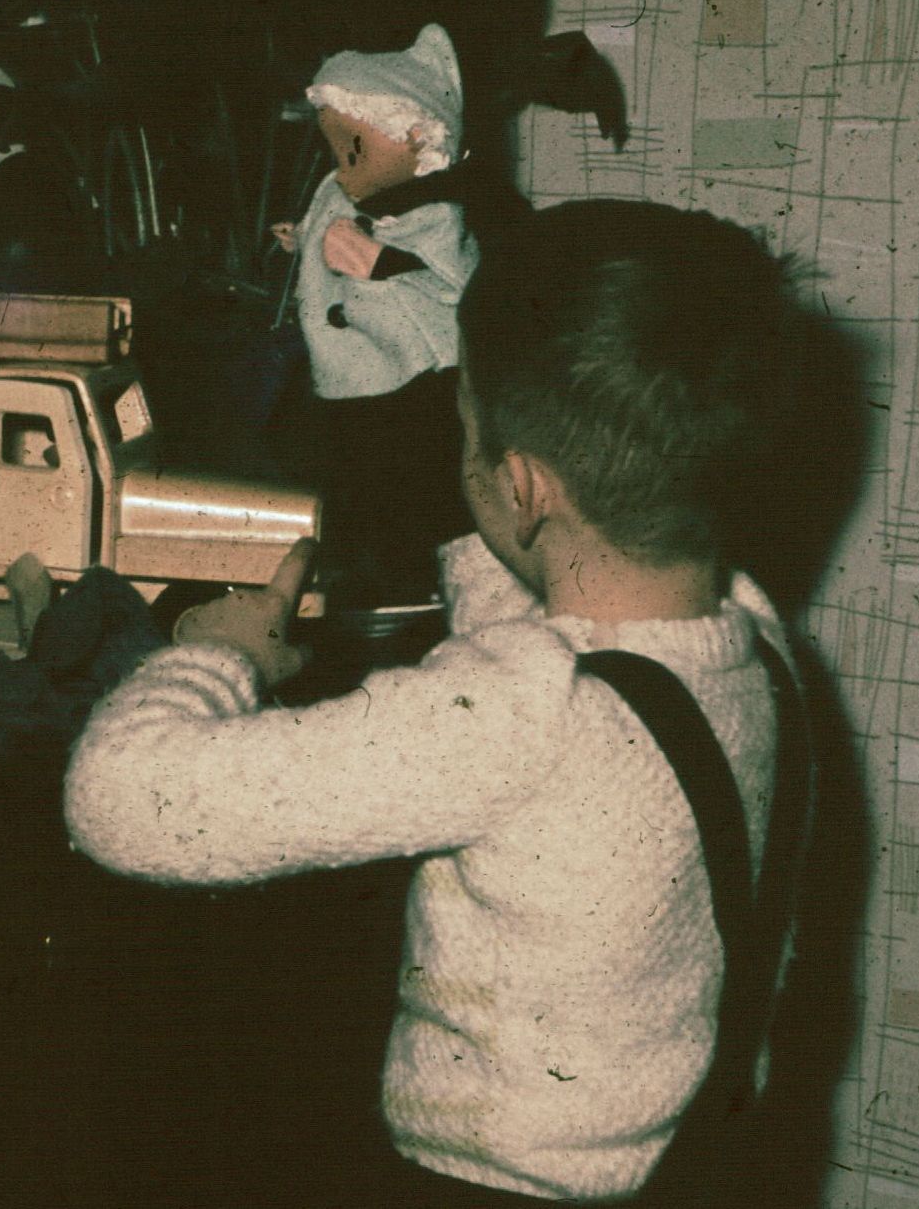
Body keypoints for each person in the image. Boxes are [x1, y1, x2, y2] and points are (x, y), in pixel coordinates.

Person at [65, 201, 813, 1204]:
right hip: (684, 1169)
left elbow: (119, 800)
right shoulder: (752, 638)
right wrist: (465, 513)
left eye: (465, 428)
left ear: (524, 486)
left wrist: (219, 654)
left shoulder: (520, 719)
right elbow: (550, 640)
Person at [269, 23, 482, 601]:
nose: (342, 168)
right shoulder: (336, 189)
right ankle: (359, 565)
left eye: (353, 151)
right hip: (346, 369)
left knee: (407, 474)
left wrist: (382, 262)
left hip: (409, 371)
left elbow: (458, 280)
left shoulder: (436, 210)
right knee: (350, 468)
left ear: (417, 136)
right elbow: (322, 221)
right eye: (335, 152)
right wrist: (300, 237)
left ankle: (406, 579)